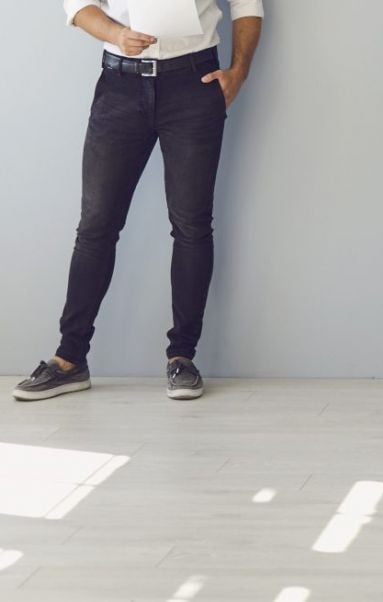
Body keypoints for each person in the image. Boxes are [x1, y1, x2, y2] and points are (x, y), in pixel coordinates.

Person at [12, 0, 264, 402]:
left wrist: (239, 72)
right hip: (120, 84)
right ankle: (69, 358)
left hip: (195, 82)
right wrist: (116, 34)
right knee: (96, 225)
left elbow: (247, 5)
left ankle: (182, 357)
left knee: (191, 225)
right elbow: (78, 6)